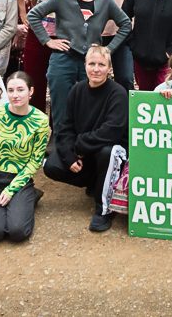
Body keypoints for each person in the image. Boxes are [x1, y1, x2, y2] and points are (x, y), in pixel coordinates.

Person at [26, 0, 131, 129]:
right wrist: (47, 41)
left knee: (89, 106)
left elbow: (126, 24)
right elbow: (34, 15)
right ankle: (61, 147)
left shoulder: (105, 0)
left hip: (90, 63)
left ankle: (85, 145)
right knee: (61, 107)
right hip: (63, 59)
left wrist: (108, 50)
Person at [44, 45, 128, 232]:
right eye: (92, 64)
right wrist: (70, 155)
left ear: (109, 68)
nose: (96, 69)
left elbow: (111, 131)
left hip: (108, 152)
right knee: (51, 166)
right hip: (85, 151)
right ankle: (95, 183)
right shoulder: (77, 90)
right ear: (85, 65)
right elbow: (65, 127)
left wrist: (79, 147)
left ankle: (104, 209)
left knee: (108, 152)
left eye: (101, 64)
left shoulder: (118, 93)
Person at [0, 71, 51, 243]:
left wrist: (12, 189)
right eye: (11, 90)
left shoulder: (40, 120)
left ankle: (29, 196)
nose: (15, 95)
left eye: (20, 90)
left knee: (18, 232)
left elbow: (35, 160)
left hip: (20, 179)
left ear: (31, 91)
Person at [17, 0, 72, 111]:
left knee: (59, 85)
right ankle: (37, 125)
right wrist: (24, 15)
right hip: (36, 35)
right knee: (35, 82)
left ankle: (57, 130)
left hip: (62, 35)